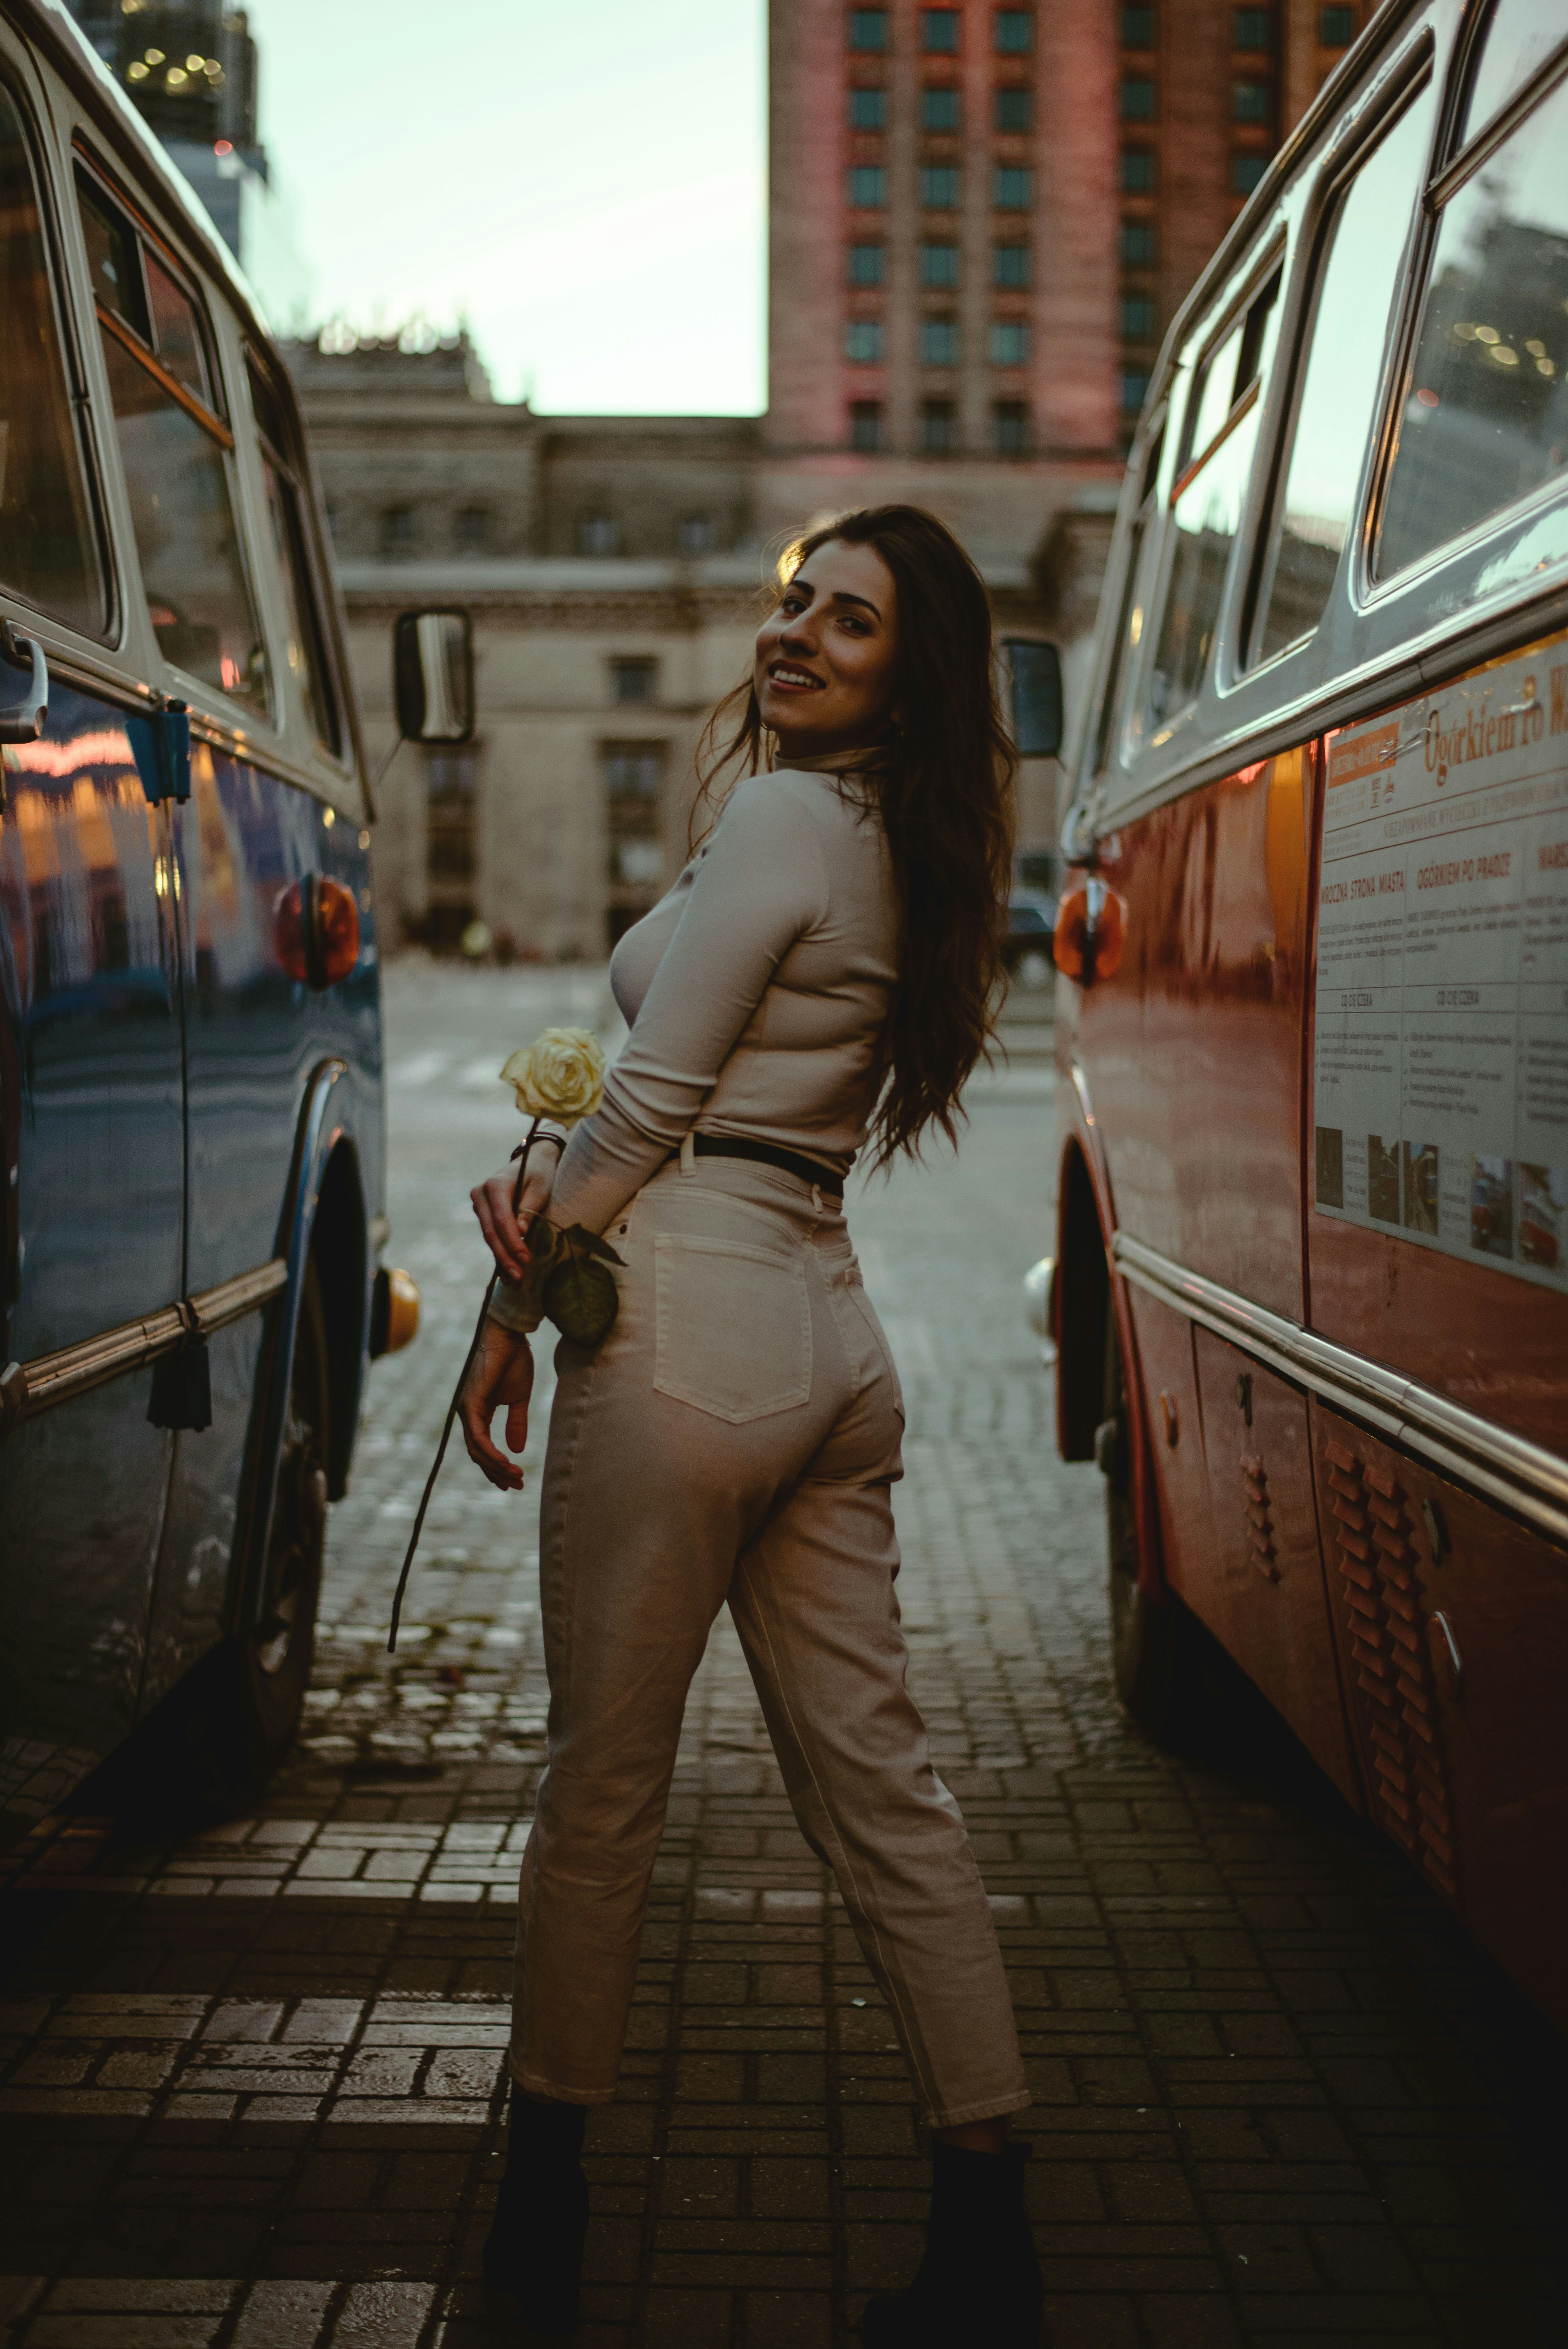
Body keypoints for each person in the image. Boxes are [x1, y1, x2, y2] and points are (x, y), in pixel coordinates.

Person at [459, 504, 1042, 2344]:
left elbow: (641, 1103)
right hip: (825, 1331)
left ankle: (538, 2243)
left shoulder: (787, 817)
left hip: (692, 1323)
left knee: (602, 1792)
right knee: (886, 1796)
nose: (793, 632)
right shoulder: (902, 847)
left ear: (906, 672)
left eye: (847, 622)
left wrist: (505, 1302)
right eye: (793, 601)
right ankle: (986, 2245)